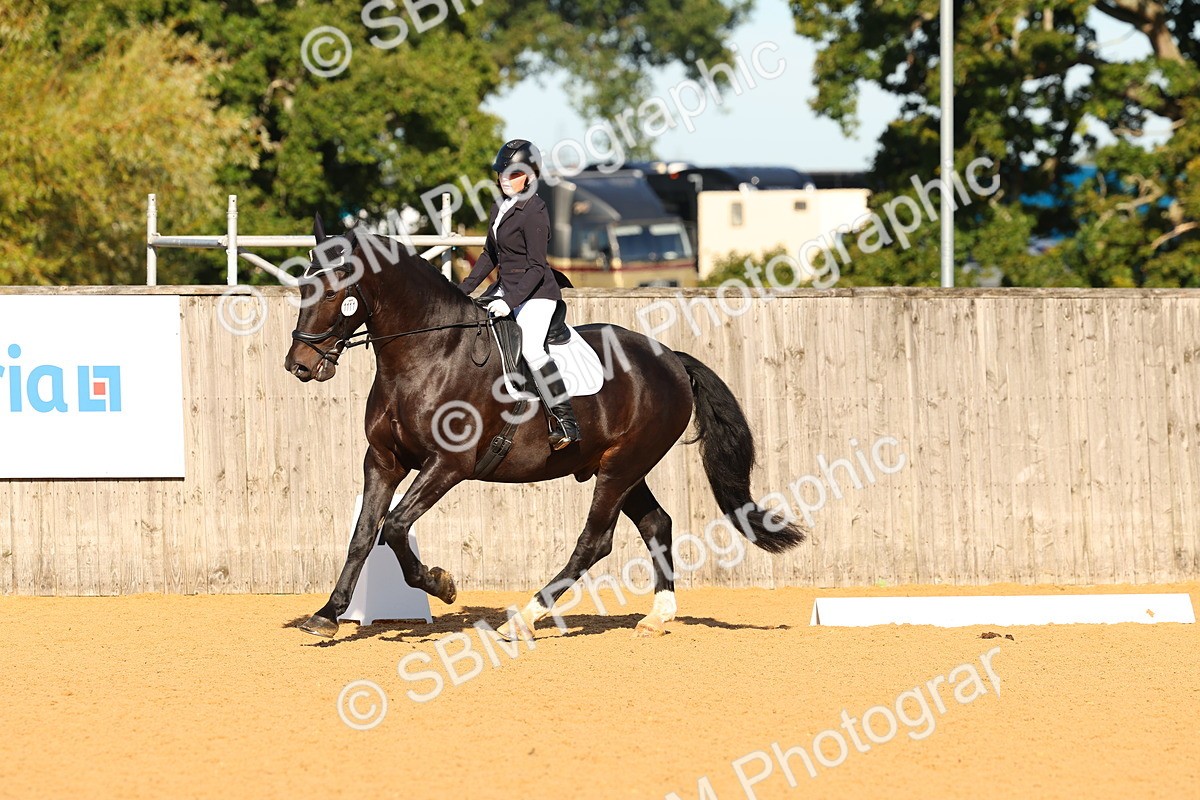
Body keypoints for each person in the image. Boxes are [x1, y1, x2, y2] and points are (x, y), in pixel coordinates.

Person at [457, 139, 581, 450]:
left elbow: (538, 267)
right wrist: (461, 291)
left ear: (531, 175)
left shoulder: (535, 210)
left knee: (532, 349)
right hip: (503, 288)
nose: (505, 180)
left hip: (536, 293)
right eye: (502, 174)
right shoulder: (499, 206)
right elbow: (489, 254)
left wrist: (509, 302)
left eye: (514, 175)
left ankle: (566, 421)